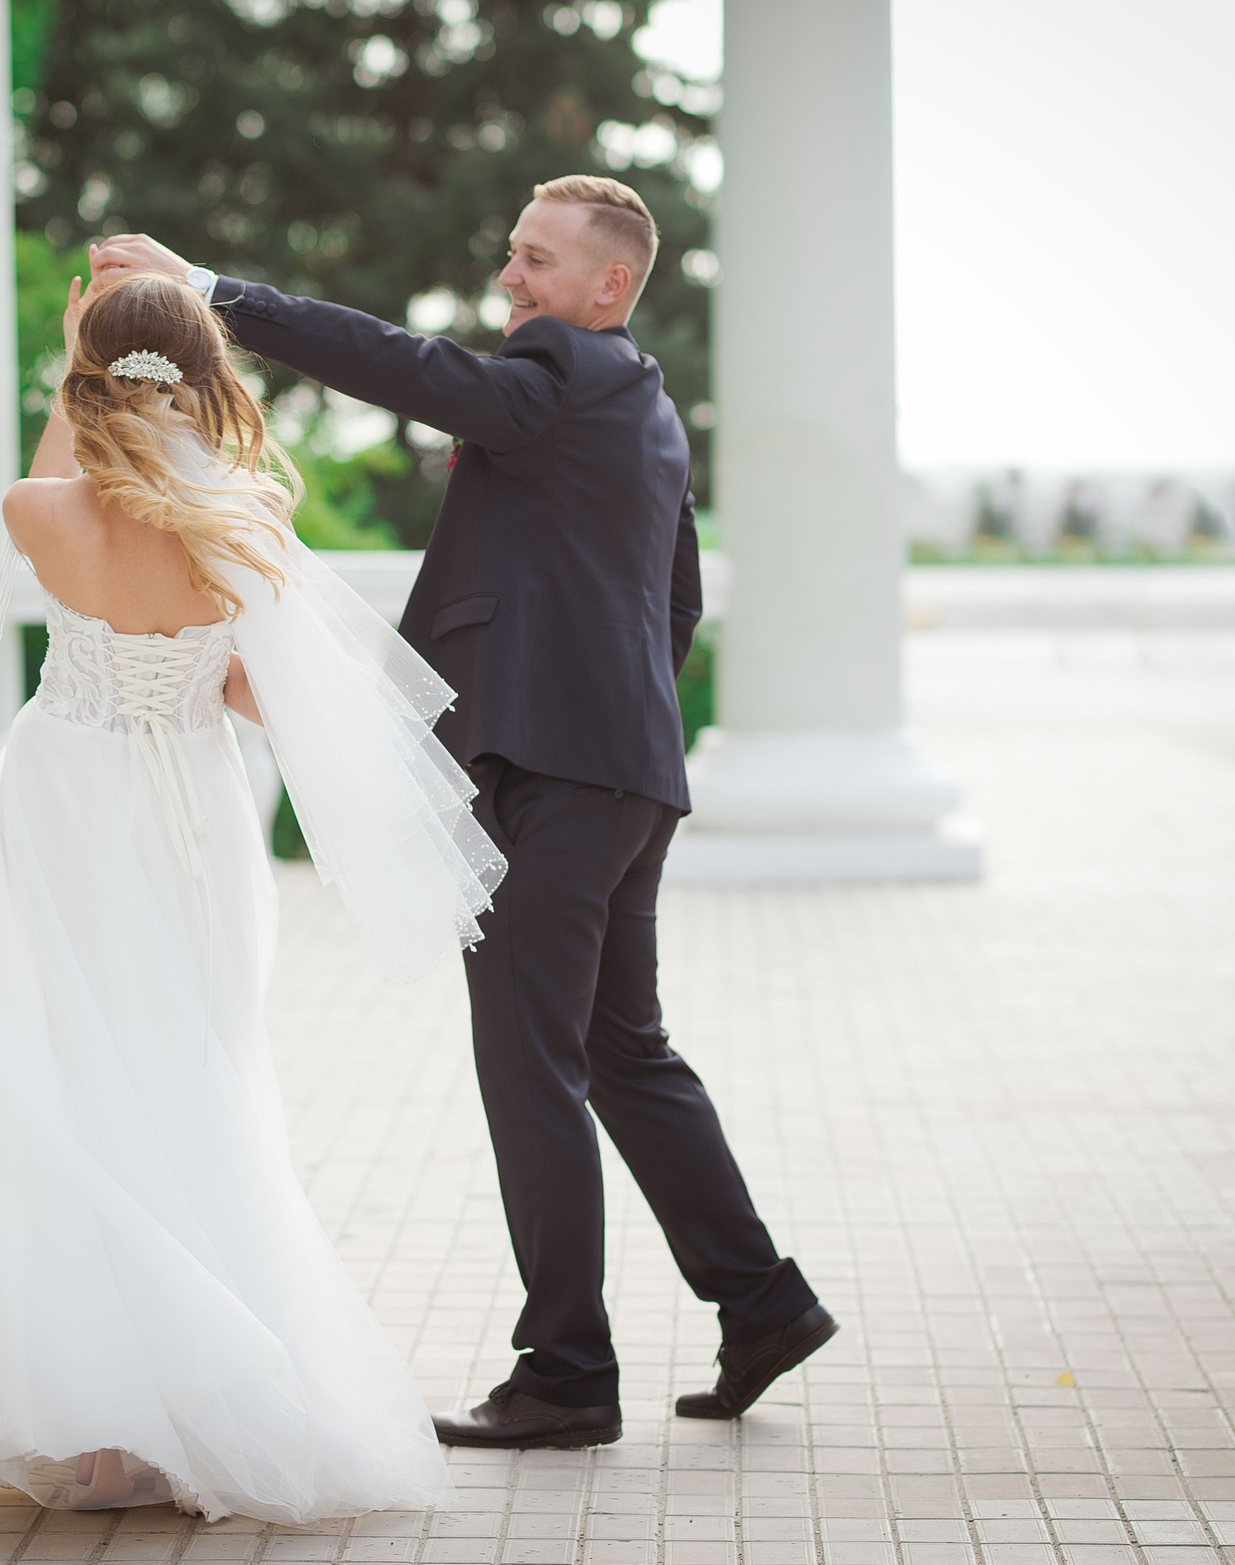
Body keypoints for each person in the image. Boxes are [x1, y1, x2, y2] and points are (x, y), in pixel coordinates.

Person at [91, 176, 837, 1449]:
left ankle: (565, 1376)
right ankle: (761, 1302)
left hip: (562, 776)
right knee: (621, 1053)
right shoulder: (646, 409)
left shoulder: (555, 372)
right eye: (511, 257)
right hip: (623, 772)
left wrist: (215, 294)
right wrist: (611, 724)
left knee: (531, 1062)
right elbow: (673, 604)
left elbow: (404, 365)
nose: (511, 282)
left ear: (609, 286)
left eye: (537, 263)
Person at [0, 272, 505, 1522]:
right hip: (193, 820)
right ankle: (179, 1411)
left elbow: (64, 473)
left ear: (85, 382)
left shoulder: (35, 508)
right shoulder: (242, 523)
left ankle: (92, 1424)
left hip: (60, 805)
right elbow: (257, 699)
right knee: (191, 1076)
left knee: (45, 1079)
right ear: (206, 380)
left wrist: (80, 352)